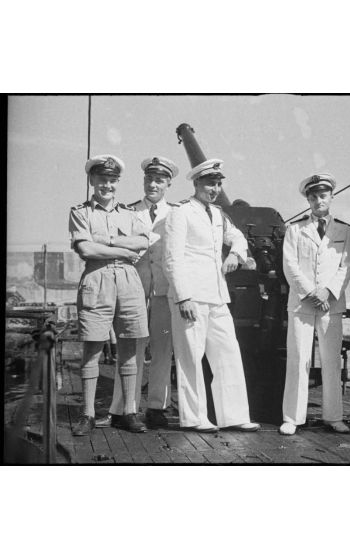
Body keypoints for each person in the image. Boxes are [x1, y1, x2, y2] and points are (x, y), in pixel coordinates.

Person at [163, 157, 260, 432]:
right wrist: (183, 297)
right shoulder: (180, 213)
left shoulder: (218, 214)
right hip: (191, 297)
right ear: (196, 183)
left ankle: (235, 415)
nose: (214, 189)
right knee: (191, 358)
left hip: (218, 296)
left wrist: (236, 254)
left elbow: (238, 237)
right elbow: (173, 259)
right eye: (209, 183)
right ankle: (195, 418)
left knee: (228, 354)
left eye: (218, 184)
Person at [68, 154, 149, 435]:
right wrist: (124, 251)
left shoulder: (130, 213)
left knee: (128, 346)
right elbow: (87, 250)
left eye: (113, 180)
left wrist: (108, 240)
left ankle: (128, 412)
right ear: (92, 180)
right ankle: (88, 415)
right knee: (93, 347)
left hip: (128, 281)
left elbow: (142, 242)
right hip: (97, 278)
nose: (108, 185)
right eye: (102, 179)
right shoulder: (80, 212)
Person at [99, 156, 180, 429]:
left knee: (163, 350)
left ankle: (157, 407)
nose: (153, 184)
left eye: (159, 179)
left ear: (168, 183)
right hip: (134, 289)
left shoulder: (178, 213)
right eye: (149, 178)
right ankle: (125, 409)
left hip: (164, 291)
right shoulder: (128, 211)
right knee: (131, 348)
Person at [280, 173, 350, 435]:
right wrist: (312, 292)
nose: (318, 200)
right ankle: (293, 417)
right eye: (313, 196)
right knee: (299, 358)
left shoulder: (344, 230)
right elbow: (289, 265)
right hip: (302, 304)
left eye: (323, 195)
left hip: (330, 304)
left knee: (331, 360)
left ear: (331, 197)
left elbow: (346, 266)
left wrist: (328, 292)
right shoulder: (295, 229)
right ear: (308, 200)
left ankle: (333, 417)